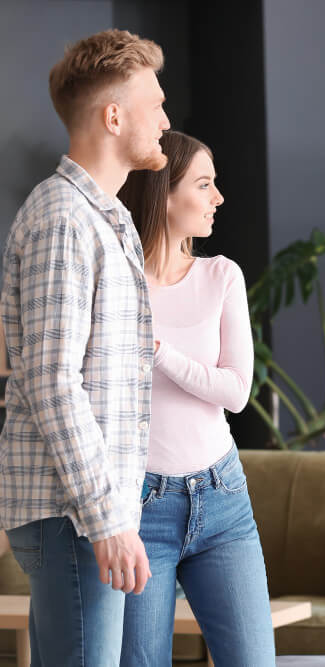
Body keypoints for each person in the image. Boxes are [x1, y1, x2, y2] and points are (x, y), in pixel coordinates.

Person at [0, 29, 168, 666]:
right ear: (114, 115)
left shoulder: (105, 217)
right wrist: (107, 520)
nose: (166, 119)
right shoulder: (63, 219)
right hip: (71, 515)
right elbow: (51, 382)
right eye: (155, 103)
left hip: (83, 513)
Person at [117, 130, 274, 665]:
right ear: (164, 193)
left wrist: (158, 352)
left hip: (222, 497)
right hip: (139, 510)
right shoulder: (119, 285)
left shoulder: (220, 275)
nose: (218, 197)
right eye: (203, 184)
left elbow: (235, 391)